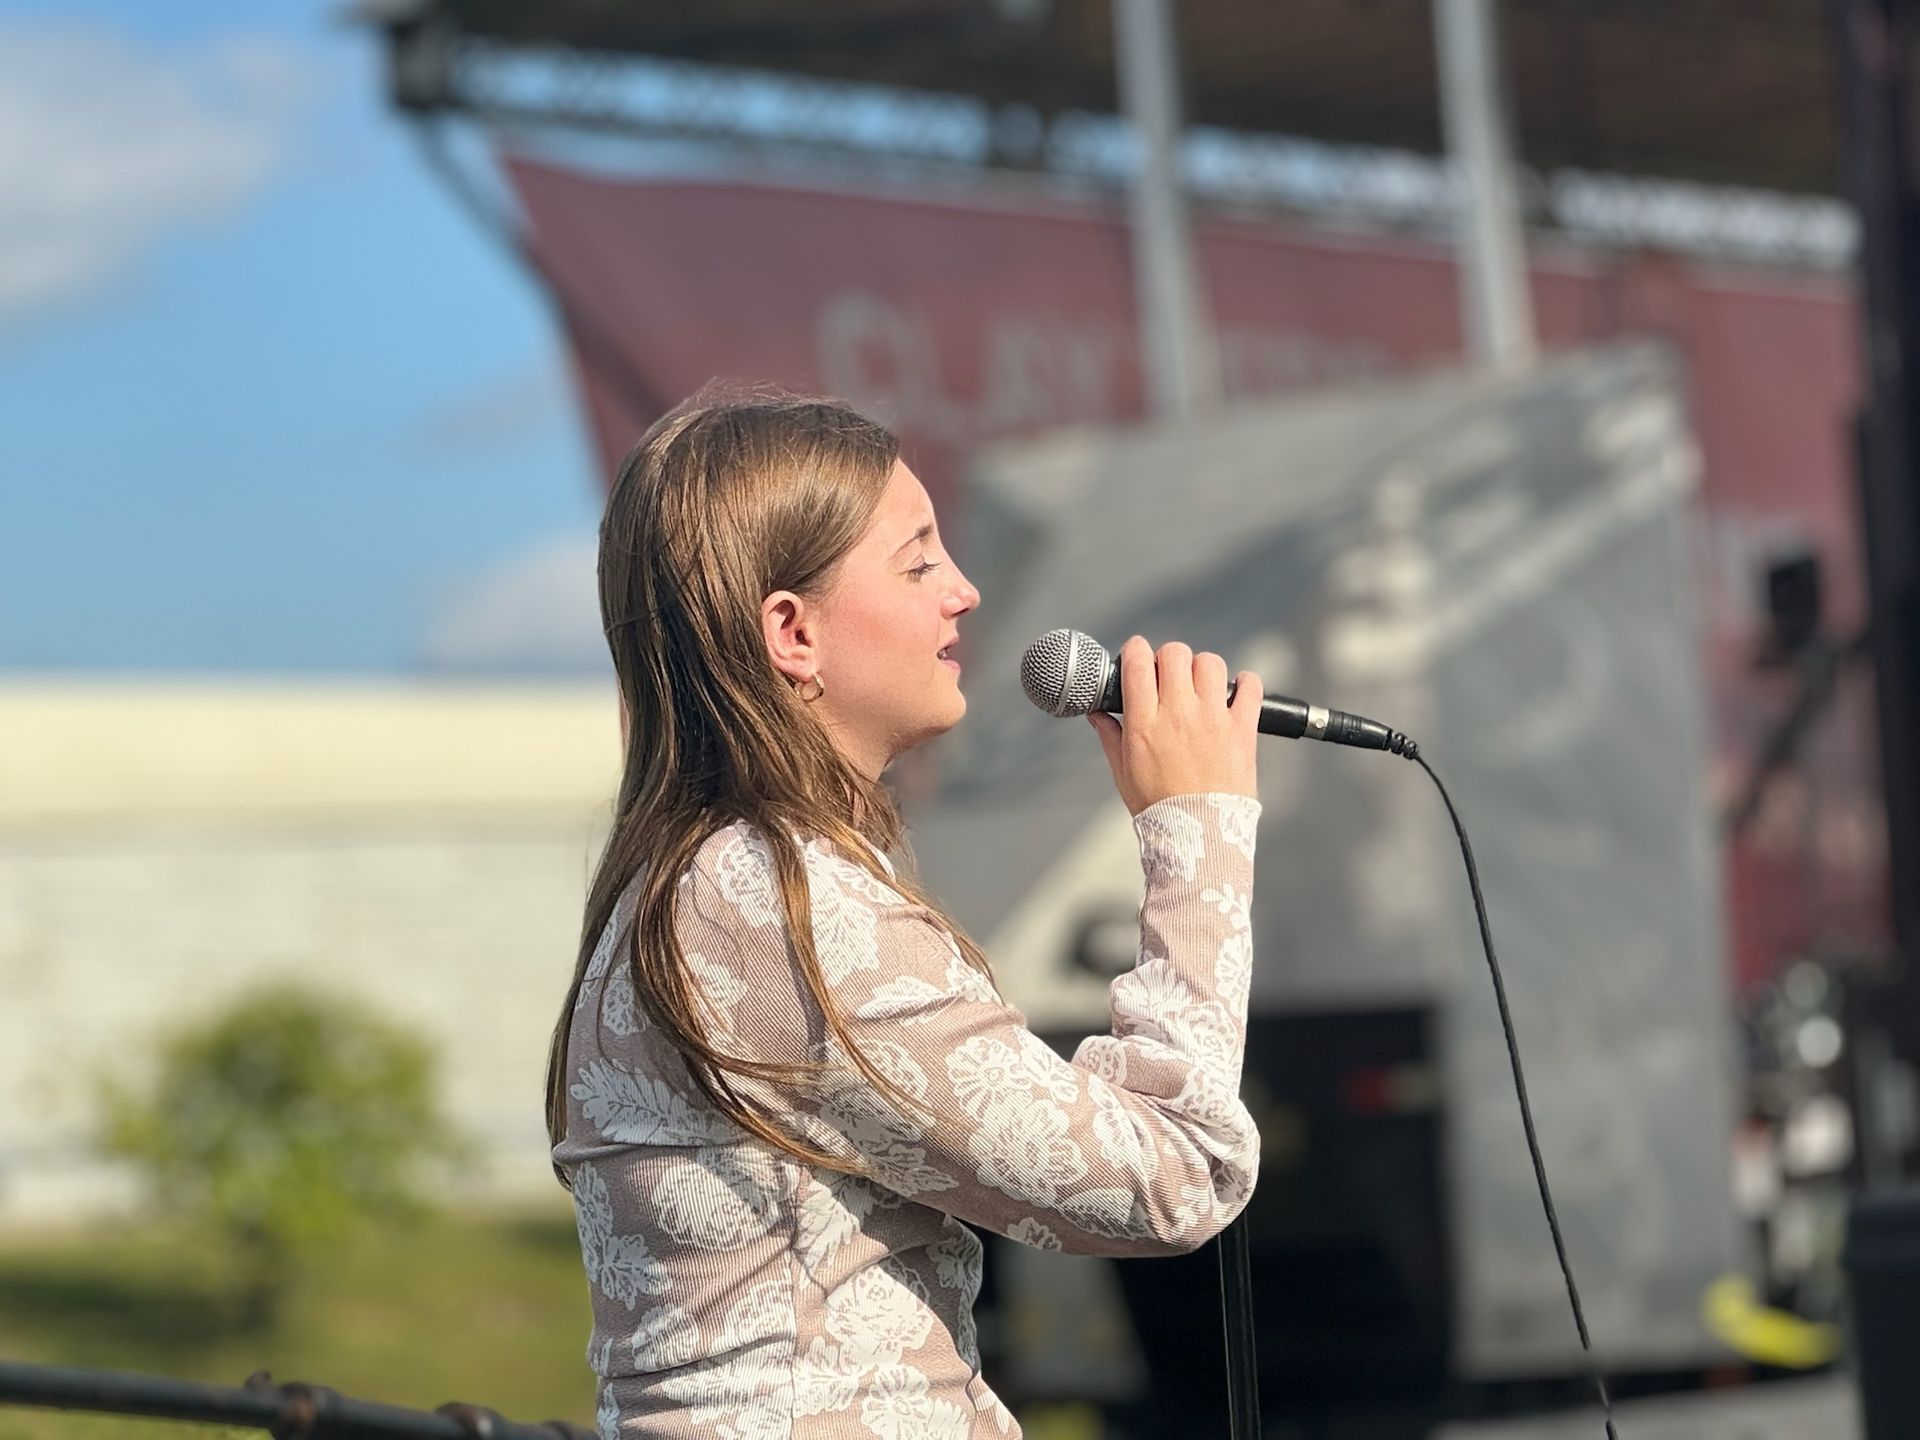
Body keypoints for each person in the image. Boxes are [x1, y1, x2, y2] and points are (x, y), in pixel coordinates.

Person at [549, 385, 1265, 1439]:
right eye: (920, 560)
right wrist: (1196, 825)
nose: (965, 593)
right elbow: (1171, 1177)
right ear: (791, 632)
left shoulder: (711, 882)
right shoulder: (778, 909)